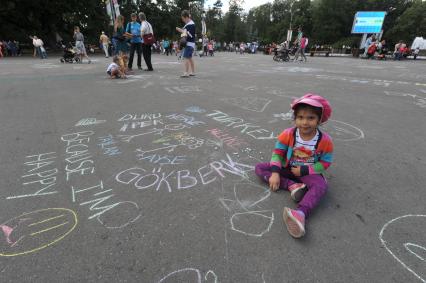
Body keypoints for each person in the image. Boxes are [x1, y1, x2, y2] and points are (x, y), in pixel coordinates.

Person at [254, 93, 334, 239]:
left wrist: (305, 169)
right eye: (300, 117)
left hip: (308, 172)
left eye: (311, 118)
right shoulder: (288, 134)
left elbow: (325, 163)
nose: (305, 122)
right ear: (295, 118)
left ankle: (301, 213)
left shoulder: (325, 141)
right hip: (288, 167)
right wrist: (276, 173)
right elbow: (277, 154)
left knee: (321, 186)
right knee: (260, 168)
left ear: (319, 120)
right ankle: (292, 186)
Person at [176, 10, 196, 77]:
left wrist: (181, 30)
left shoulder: (191, 25)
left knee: (186, 57)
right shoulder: (189, 24)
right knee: (189, 58)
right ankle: (192, 72)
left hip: (189, 44)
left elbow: (189, 35)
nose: (183, 20)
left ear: (186, 17)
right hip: (190, 44)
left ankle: (186, 73)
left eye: (183, 18)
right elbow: (186, 34)